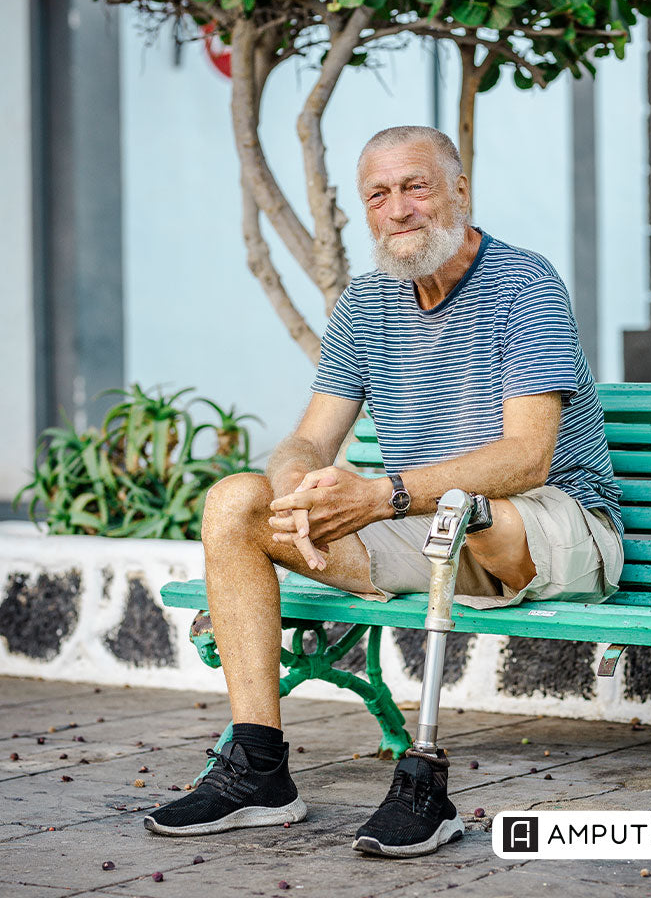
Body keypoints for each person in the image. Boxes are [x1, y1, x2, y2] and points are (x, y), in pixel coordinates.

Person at [144, 125, 624, 857]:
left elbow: (529, 458)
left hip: (552, 523)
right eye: (379, 194)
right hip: (425, 523)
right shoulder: (366, 303)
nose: (398, 209)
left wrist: (378, 498)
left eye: (416, 187)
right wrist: (296, 492)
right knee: (234, 503)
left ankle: (424, 778)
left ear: (459, 191)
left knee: (470, 512)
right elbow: (309, 439)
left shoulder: (524, 283)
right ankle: (257, 771)